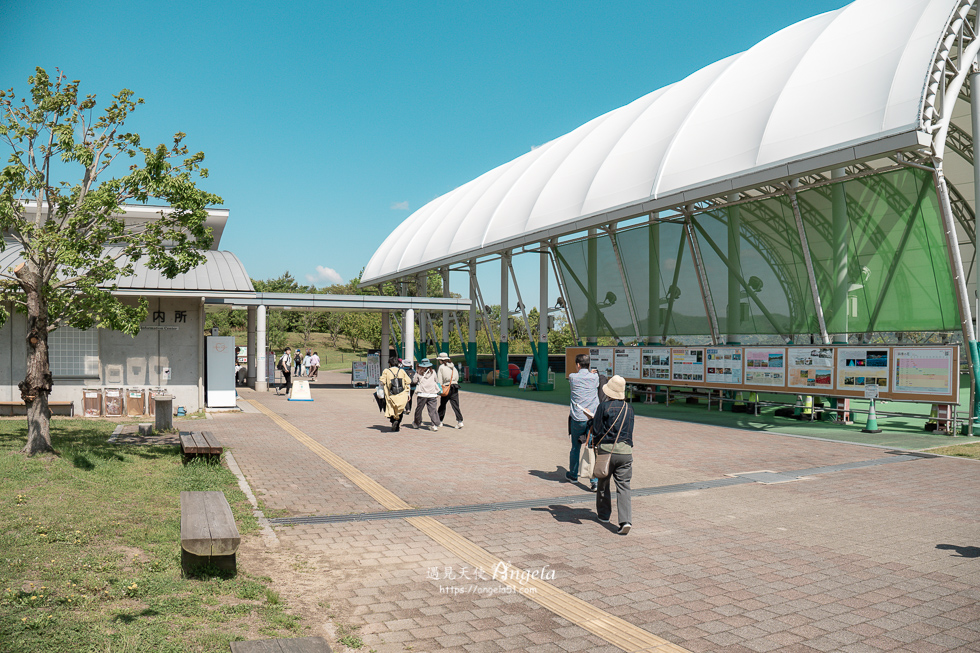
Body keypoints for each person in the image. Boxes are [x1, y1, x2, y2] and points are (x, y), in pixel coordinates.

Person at [593, 375, 634, 535]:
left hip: (606, 452)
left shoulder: (603, 407)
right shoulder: (629, 408)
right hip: (625, 452)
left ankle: (604, 515)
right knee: (624, 487)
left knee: (603, 483)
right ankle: (626, 521)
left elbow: (597, 430)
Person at [567, 353, 599, 491]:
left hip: (577, 418)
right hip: (592, 418)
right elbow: (593, 380)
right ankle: (595, 481)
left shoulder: (573, 377)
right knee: (591, 447)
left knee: (575, 447)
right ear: (589, 364)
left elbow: (577, 378)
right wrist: (591, 373)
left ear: (578, 365)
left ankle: (573, 475)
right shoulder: (595, 377)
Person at [380, 356, 412, 431]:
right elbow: (408, 381)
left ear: (389, 364)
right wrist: (408, 394)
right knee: (400, 409)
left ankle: (393, 420)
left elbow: (382, 382)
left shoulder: (386, 371)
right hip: (401, 394)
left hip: (390, 394)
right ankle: (397, 422)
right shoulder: (402, 371)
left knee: (390, 408)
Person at [411, 358, 442, 431]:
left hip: (422, 394)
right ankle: (434, 425)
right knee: (433, 410)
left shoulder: (418, 372)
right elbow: (436, 380)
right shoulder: (433, 372)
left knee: (419, 409)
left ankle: (417, 423)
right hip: (432, 394)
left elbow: (414, 381)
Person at [436, 352, 463, 429]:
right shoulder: (453, 367)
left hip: (446, 387)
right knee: (455, 405)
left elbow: (439, 380)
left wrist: (439, 390)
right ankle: (460, 421)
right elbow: (457, 377)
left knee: (443, 405)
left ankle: (439, 421)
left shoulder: (441, 367)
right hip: (455, 386)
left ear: (441, 360)